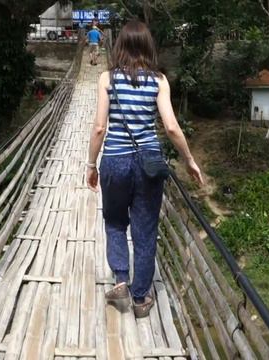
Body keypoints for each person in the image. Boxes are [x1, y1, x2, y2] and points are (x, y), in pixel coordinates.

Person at [86, 20, 203, 318]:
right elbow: (172, 128)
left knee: (114, 221)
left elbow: (100, 128)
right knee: (145, 229)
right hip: (149, 162)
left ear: (120, 46)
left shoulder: (107, 78)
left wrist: (91, 165)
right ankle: (140, 298)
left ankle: (122, 279)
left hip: (115, 160)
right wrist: (189, 159)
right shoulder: (159, 80)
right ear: (148, 46)